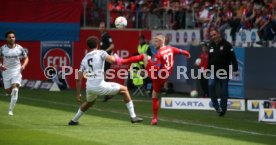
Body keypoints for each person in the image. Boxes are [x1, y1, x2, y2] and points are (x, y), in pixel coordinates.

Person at [114, 34, 190, 125]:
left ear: (161, 42)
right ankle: (154, 118)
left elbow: (156, 68)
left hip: (157, 75)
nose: (154, 43)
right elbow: (184, 52)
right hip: (165, 76)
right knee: (154, 95)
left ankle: (121, 61)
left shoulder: (159, 54)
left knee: (143, 57)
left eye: (156, 41)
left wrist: (147, 69)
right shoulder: (171, 49)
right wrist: (188, 55)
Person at [68, 36, 143, 125]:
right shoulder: (101, 52)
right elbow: (112, 61)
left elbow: (78, 78)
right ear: (97, 44)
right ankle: (133, 117)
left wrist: (78, 94)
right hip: (99, 85)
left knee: (89, 103)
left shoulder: (85, 59)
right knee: (124, 90)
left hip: (89, 87)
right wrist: (116, 57)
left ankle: (74, 120)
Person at [208, 30, 239, 117]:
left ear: (219, 34)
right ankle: (216, 106)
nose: (213, 37)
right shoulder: (211, 45)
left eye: (214, 35)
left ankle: (223, 109)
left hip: (224, 72)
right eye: (211, 35)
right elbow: (210, 59)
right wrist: (208, 70)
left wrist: (235, 69)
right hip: (214, 71)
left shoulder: (227, 45)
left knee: (223, 91)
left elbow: (233, 58)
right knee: (210, 85)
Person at [0, 31, 29, 116]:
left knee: (15, 89)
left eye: (13, 37)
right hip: (6, 72)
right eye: (10, 37)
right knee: (8, 91)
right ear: (6, 39)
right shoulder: (2, 49)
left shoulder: (19, 48)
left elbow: (26, 58)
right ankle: (10, 92)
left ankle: (10, 110)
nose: (12, 38)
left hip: (16, 70)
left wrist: (23, 65)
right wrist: (1, 65)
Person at [99, 21, 115, 102]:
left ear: (105, 28)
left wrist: (104, 51)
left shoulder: (107, 36)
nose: (101, 28)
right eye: (100, 27)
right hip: (103, 58)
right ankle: (108, 94)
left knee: (104, 76)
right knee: (103, 76)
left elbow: (112, 46)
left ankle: (109, 93)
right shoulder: (102, 36)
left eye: (103, 27)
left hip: (107, 58)